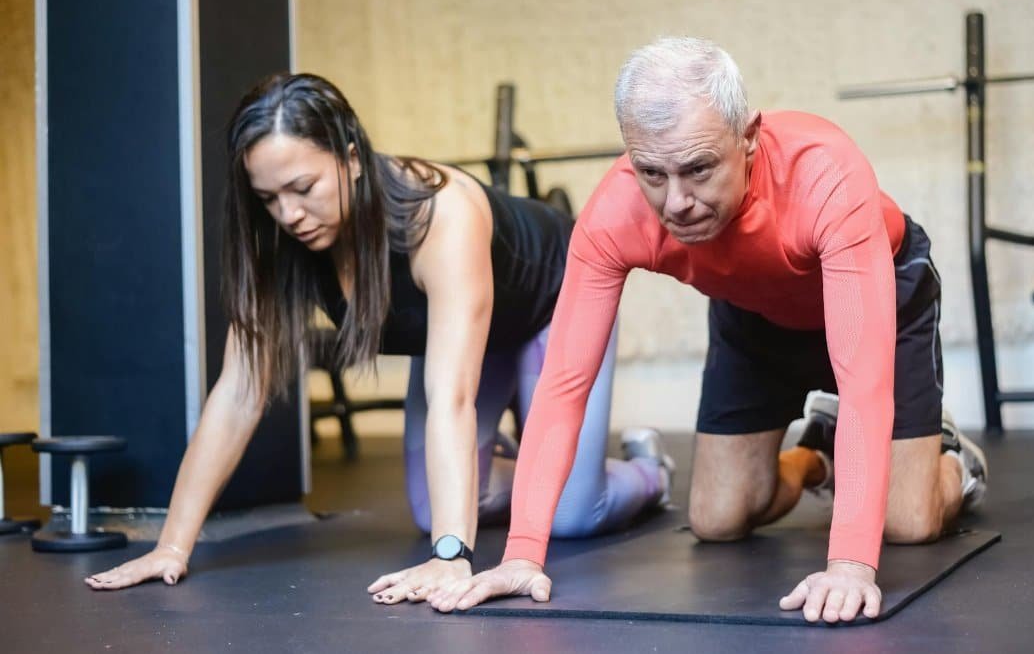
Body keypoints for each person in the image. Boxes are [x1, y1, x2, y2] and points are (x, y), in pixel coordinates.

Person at [431, 37, 988, 623]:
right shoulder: (614, 215)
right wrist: (522, 555)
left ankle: (953, 460)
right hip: (753, 311)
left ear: (748, 138)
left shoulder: (824, 174)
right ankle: (815, 455)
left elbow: (865, 383)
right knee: (719, 520)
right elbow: (565, 384)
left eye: (698, 169)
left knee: (907, 524)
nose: (676, 203)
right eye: (651, 172)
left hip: (880, 291)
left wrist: (849, 564)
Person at [84, 73, 671, 603]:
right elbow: (237, 393)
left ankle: (648, 469)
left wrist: (452, 557)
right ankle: (545, 461)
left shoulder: (439, 214)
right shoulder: (281, 245)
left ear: (352, 158)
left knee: (567, 513)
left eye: (303, 186)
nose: (288, 214)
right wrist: (172, 547)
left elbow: (452, 398)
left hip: (552, 306)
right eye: (268, 198)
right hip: (473, 336)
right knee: (430, 510)